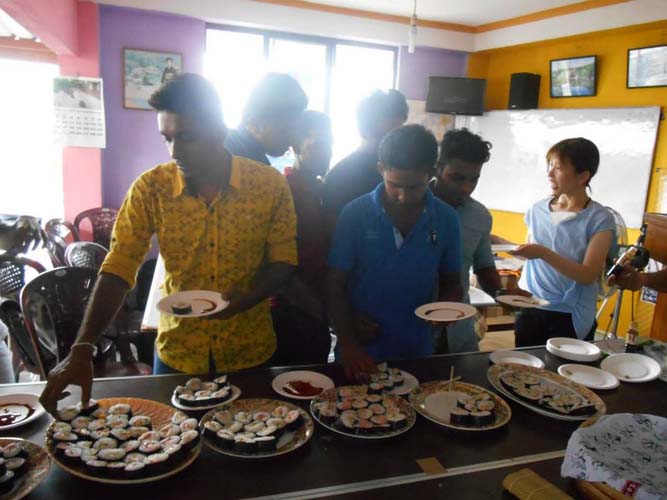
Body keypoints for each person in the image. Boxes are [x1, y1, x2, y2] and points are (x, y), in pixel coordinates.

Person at [39, 74, 298, 414]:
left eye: (187, 138)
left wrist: (250, 294)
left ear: (219, 132)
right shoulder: (151, 189)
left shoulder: (268, 186)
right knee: (175, 450)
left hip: (249, 352)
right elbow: (119, 267)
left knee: (250, 451)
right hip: (178, 353)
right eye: (167, 138)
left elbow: (284, 259)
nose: (176, 151)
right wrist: (83, 347)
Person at [327, 125, 462, 380]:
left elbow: (451, 281)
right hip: (360, 349)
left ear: (431, 173)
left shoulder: (446, 219)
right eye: (394, 185)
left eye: (414, 187)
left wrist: (448, 308)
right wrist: (347, 340)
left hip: (416, 350)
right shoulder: (355, 214)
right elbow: (334, 283)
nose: (403, 196)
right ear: (381, 169)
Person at [510, 138, 615, 347]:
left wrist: (542, 253)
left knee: (565, 374)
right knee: (523, 371)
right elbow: (531, 254)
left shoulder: (600, 218)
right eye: (550, 166)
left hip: (570, 314)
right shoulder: (536, 209)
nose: (550, 174)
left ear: (583, 176)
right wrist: (501, 243)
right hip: (530, 306)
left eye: (558, 168)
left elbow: (588, 274)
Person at [430, 128, 502, 353]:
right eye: (457, 177)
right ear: (438, 168)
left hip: (458, 329)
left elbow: (484, 266)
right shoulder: (411, 207)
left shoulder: (480, 216)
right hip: (412, 328)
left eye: (474, 179)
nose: (466, 187)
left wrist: (502, 293)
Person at [271, 111, 333, 365]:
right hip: (291, 308)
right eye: (317, 146)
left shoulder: (320, 189)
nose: (326, 153)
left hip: (317, 304)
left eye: (329, 145)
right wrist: (318, 310)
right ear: (296, 147)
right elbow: (279, 264)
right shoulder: (285, 192)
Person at [322, 89, 408, 218]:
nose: (398, 138)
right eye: (391, 132)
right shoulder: (340, 176)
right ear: (366, 128)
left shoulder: (399, 170)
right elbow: (334, 231)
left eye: (400, 130)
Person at [225, 73, 308, 166]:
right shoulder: (232, 158)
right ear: (254, 124)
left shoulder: (248, 153)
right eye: (285, 132)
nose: (293, 140)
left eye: (296, 130)